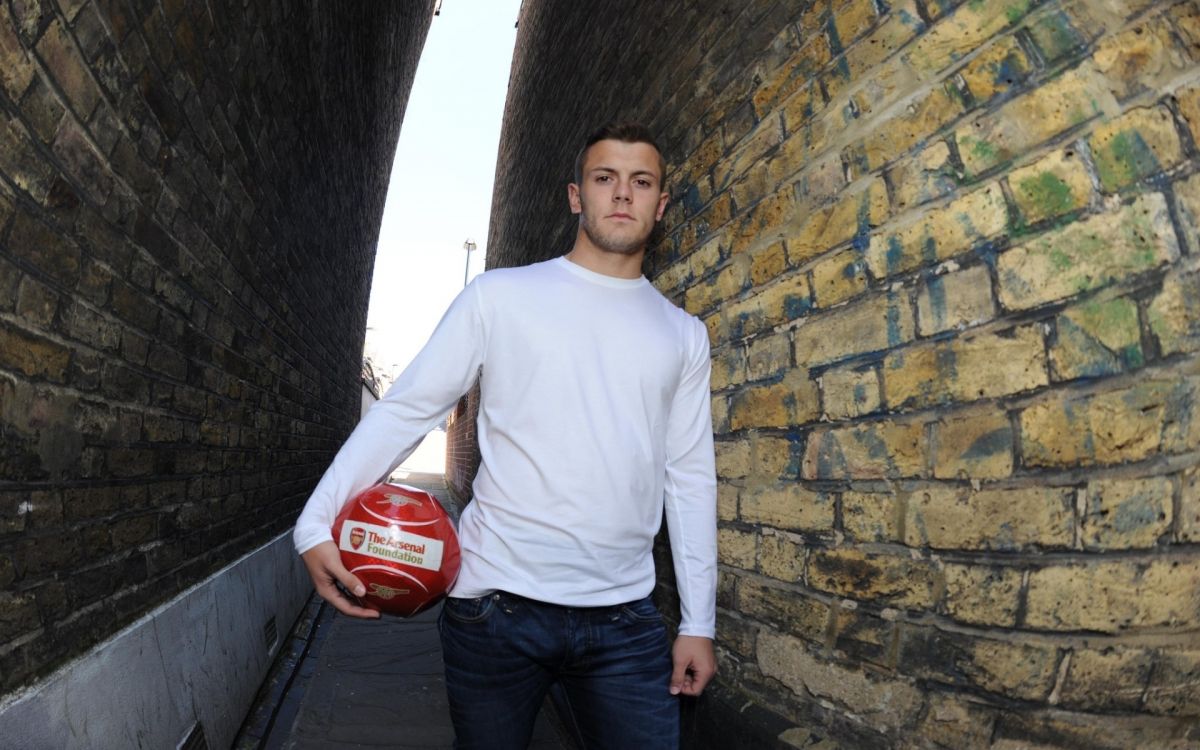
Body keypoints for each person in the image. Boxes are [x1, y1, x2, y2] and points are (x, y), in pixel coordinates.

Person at [293, 122, 718, 749]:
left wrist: (698, 622)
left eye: (641, 181)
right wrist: (315, 522)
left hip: (625, 623)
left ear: (660, 202)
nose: (622, 194)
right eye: (605, 179)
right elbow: (406, 409)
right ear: (577, 196)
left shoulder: (684, 335)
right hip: (494, 613)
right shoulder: (500, 297)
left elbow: (688, 477)